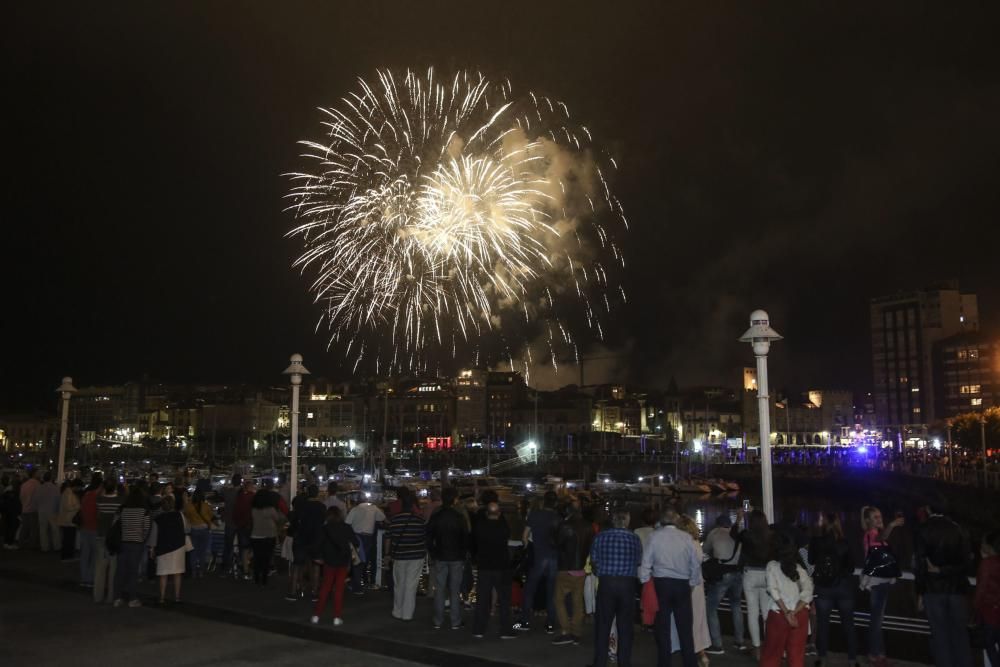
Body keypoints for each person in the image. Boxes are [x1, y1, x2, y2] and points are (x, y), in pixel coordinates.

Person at [640, 506, 703, 667]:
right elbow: (694, 565)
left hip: (661, 584)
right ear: (676, 520)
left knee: (663, 630)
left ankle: (664, 663)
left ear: (662, 521)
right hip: (682, 584)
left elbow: (646, 563)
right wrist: (692, 583)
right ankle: (690, 663)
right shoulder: (686, 538)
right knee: (685, 629)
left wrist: (645, 580)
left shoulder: (654, 537)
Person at [914, 504, 973, 667]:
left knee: (940, 636)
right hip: (957, 590)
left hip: (934, 590)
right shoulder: (959, 529)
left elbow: (919, 565)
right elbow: (967, 563)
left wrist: (920, 591)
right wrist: (945, 570)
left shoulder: (923, 529)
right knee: (961, 635)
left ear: (928, 509)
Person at [591, 509, 643, 667]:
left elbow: (594, 561)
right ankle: (624, 662)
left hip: (606, 583)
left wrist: (601, 570)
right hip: (627, 584)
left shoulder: (600, 536)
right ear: (627, 521)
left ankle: (599, 662)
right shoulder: (635, 538)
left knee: (603, 625)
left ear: (613, 521)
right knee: (625, 626)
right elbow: (639, 561)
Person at [808, 512, 858, 667]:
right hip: (843, 587)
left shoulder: (816, 542)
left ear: (823, 525)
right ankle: (852, 660)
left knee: (823, 624)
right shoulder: (844, 543)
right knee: (848, 624)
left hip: (823, 588)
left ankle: (822, 659)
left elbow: (811, 560)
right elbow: (850, 568)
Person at [760, 531, 814, 667]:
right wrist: (794, 612)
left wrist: (787, 613)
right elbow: (808, 592)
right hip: (800, 615)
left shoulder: (772, 566)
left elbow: (773, 590)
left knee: (771, 656)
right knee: (796, 657)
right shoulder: (799, 569)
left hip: (779, 615)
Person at [859, 506, 903, 667]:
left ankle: (878, 654)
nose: (879, 519)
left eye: (880, 516)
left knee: (877, 621)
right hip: (877, 583)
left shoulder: (875, 536)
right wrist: (892, 525)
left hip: (881, 582)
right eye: (875, 517)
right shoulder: (871, 535)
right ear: (868, 520)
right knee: (876, 622)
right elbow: (882, 537)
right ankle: (875, 656)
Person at [516, 490, 560, 634]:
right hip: (554, 557)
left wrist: (528, 547)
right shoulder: (559, 518)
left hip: (538, 556)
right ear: (555, 503)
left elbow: (525, 536)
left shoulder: (535, 515)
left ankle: (525, 621)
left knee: (529, 589)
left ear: (544, 501)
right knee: (551, 591)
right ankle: (550, 624)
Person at [470, 501, 516, 639]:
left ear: (486, 513)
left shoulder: (480, 527)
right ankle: (505, 629)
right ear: (499, 513)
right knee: (504, 600)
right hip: (501, 567)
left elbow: (473, 543)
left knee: (482, 599)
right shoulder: (503, 528)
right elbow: (507, 534)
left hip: (484, 566)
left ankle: (479, 629)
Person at [703, 513, 746, 655]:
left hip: (722, 574)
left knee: (711, 608)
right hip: (738, 573)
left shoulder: (714, 533)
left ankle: (717, 645)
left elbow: (706, 551)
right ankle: (739, 642)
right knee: (736, 605)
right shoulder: (738, 534)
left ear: (718, 524)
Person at [426, 486, 468, 630]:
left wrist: (433, 552)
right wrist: (463, 554)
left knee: (439, 589)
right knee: (454, 590)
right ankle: (455, 621)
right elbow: (465, 537)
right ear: (454, 499)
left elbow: (428, 536)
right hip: (456, 556)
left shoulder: (436, 515)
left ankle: (438, 620)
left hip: (440, 555)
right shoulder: (459, 516)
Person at [732, 507, 772, 659]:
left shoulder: (747, 535)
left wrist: (739, 519)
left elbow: (733, 534)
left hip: (750, 574)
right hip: (767, 574)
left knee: (753, 612)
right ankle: (769, 646)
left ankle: (757, 648)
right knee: (767, 612)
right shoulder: (771, 536)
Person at [552, 503, 591, 646]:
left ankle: (565, 631)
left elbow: (557, 544)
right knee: (578, 603)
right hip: (581, 570)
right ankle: (577, 633)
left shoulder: (565, 525)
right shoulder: (588, 525)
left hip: (565, 569)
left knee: (558, 600)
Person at [311, 506, 358, 626]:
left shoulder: (325, 528)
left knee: (325, 587)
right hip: (343, 561)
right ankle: (337, 617)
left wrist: (318, 557)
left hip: (329, 561)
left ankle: (317, 615)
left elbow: (317, 545)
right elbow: (356, 542)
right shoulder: (346, 527)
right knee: (339, 589)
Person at [388, 489, 427, 621]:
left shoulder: (395, 519)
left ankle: (397, 611)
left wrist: (388, 554)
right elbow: (423, 538)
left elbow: (390, 538)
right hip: (416, 556)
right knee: (411, 584)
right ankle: (407, 614)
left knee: (399, 584)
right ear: (412, 505)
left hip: (399, 555)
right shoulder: (419, 520)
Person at [113, 485, 151, 608]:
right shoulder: (144, 511)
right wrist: (141, 539)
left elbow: (117, 525)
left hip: (123, 542)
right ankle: (132, 598)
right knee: (133, 572)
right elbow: (146, 529)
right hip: (136, 543)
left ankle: (117, 598)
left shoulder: (123, 509)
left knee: (120, 571)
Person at [287, 483, 326, 601]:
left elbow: (294, 521)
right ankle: (314, 592)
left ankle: (293, 592)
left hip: (301, 538)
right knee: (315, 566)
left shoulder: (301, 506)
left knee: (297, 565)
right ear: (317, 493)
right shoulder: (322, 507)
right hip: (316, 539)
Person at [148, 494, 187, 604]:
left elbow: (154, 535)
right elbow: (186, 528)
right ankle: (177, 596)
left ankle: (162, 597)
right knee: (177, 573)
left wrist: (152, 549)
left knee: (163, 574)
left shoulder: (158, 519)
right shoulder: (180, 515)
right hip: (178, 546)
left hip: (163, 548)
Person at [345, 494, 385, 594]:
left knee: (356, 561)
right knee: (363, 561)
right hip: (368, 537)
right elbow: (382, 517)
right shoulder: (374, 508)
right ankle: (358, 584)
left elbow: (347, 523)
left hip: (356, 537)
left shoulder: (355, 509)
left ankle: (356, 584)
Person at [94, 480, 124, 604]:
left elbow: (98, 515)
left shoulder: (99, 500)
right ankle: (111, 596)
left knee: (100, 568)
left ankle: (97, 595)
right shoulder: (120, 501)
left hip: (101, 535)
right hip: (115, 538)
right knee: (113, 569)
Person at [250, 486, 287, 586]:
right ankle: (264, 579)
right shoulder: (271, 509)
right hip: (269, 535)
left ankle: (257, 577)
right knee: (267, 557)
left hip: (256, 535)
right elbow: (278, 519)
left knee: (257, 557)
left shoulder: (253, 510)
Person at [975, 530, 1000, 667]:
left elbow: (982, 588)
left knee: (989, 642)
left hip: (990, 609)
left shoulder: (987, 563)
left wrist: (976, 607)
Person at [184, 488, 215, 577]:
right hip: (204, 530)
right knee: (203, 552)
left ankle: (193, 571)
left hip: (193, 530)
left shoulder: (189, 506)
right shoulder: (206, 506)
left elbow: (186, 516)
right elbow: (211, 517)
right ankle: (201, 571)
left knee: (193, 552)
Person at [233, 480, 256, 579]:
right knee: (253, 547)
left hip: (241, 526)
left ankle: (245, 569)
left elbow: (236, 512)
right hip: (251, 526)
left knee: (244, 548)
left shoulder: (239, 497)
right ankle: (247, 563)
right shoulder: (253, 497)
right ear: (250, 487)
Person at [220, 473, 242, 575]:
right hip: (241, 523)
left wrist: (227, 480)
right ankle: (241, 565)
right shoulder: (242, 493)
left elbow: (221, 489)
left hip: (229, 522)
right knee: (243, 545)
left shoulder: (228, 492)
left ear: (232, 482)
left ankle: (226, 567)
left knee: (228, 546)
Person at [35, 471, 62, 553]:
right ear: (51, 478)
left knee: (43, 530)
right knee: (55, 530)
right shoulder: (55, 488)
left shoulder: (39, 488)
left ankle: (44, 547)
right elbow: (58, 500)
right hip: (52, 511)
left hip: (42, 511)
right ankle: (57, 546)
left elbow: (36, 500)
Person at [57, 479, 82, 562]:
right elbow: (68, 507)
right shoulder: (69, 494)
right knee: (69, 539)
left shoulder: (66, 492)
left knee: (67, 539)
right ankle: (67, 556)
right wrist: (78, 506)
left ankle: (66, 555)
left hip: (67, 519)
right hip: (69, 520)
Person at [18, 468, 40, 549]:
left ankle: (21, 543)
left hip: (25, 509)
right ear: (34, 474)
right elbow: (39, 498)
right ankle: (32, 545)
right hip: (34, 509)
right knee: (34, 529)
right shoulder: (37, 484)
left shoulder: (24, 485)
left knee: (24, 528)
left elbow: (21, 497)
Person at [1, 474, 21, 549]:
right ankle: (9, 543)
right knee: (12, 527)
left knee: (7, 527)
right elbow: (15, 503)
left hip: (6, 512)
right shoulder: (13, 493)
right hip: (12, 512)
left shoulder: (5, 492)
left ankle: (7, 542)